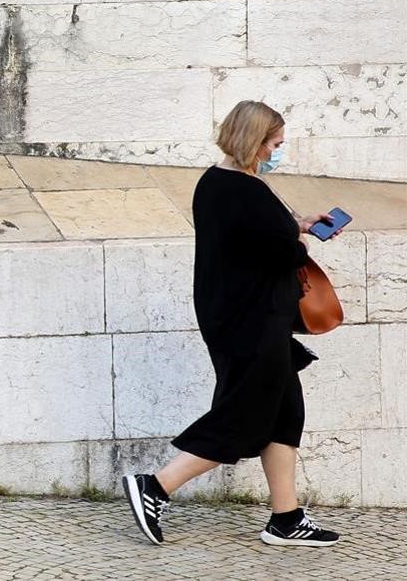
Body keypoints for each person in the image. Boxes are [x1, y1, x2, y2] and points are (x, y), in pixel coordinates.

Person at [123, 101, 341, 547]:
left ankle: (286, 519)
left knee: (284, 414)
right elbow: (279, 253)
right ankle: (156, 486)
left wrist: (297, 223)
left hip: (246, 318)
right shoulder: (245, 190)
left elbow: (252, 241)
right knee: (246, 415)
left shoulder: (218, 183)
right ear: (254, 142)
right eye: (275, 144)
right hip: (252, 322)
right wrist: (298, 240)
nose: (279, 151)